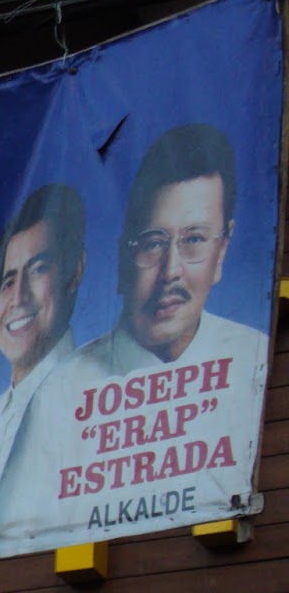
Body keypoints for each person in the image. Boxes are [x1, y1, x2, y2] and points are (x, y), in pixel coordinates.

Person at [75, 123, 268, 509]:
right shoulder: (61, 394)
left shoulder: (255, 360)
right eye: (153, 243)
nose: (170, 272)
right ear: (125, 254)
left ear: (222, 249)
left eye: (194, 239)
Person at [0, 184, 101, 553]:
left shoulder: (102, 393)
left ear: (75, 272)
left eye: (38, 269)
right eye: (8, 280)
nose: (18, 298)